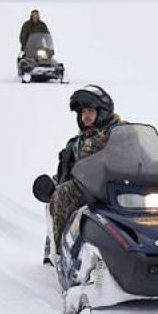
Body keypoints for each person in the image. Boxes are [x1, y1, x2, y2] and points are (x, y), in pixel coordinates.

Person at [48, 85, 124, 247]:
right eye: (83, 112)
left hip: (122, 187)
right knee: (62, 193)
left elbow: (142, 153)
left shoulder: (121, 132)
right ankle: (61, 249)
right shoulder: (76, 144)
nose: (85, 116)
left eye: (90, 111)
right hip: (91, 191)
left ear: (102, 112)